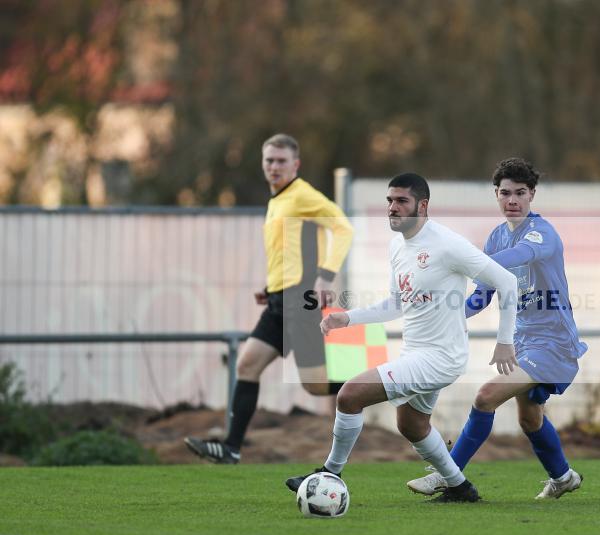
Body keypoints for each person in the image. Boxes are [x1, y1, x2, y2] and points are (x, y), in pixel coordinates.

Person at [284, 172, 518, 502]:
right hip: (415, 353)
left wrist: (505, 341)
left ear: (422, 206)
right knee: (411, 424)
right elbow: (396, 304)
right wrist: (347, 317)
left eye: (401, 201)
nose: (392, 208)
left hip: (441, 357)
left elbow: (506, 281)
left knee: (350, 395)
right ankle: (460, 487)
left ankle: (329, 472)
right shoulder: (398, 246)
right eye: (389, 201)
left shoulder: (448, 245)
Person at [406, 158, 588, 499]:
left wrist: (463, 262)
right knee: (530, 421)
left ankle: (449, 474)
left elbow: (519, 255)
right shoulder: (496, 237)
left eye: (520, 192)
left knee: (485, 397)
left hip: (553, 343)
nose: (513, 200)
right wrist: (447, 314)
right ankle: (563, 478)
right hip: (523, 342)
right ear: (496, 195)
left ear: (532, 194)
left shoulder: (541, 233)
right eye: (505, 193)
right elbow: (482, 296)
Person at [185, 133, 354, 464]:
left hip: (300, 303)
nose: (274, 166)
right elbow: (287, 251)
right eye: (269, 161)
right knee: (247, 364)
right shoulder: (277, 200)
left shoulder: (303, 195)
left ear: (296, 164)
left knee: (316, 387)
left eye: (281, 161)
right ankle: (231, 448)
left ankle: (386, 381)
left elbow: (344, 228)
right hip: (279, 302)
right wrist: (272, 287)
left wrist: (325, 275)